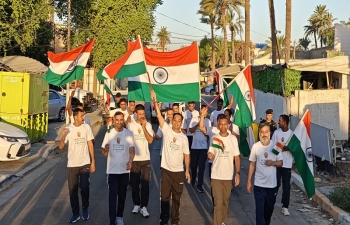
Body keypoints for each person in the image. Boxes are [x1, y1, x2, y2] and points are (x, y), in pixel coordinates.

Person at [151, 90, 190, 225]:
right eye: (175, 120)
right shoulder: (166, 130)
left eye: (179, 121)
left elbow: (186, 155)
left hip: (178, 172)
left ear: (181, 122)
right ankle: (164, 219)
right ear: (172, 120)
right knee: (165, 197)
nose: (177, 122)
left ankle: (175, 220)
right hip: (166, 170)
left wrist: (187, 170)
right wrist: (155, 100)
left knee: (177, 199)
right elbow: (159, 116)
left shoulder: (184, 138)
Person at [58, 108, 96, 223]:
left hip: (84, 163)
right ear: (75, 117)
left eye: (83, 115)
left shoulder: (86, 127)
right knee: (72, 190)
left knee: (85, 188)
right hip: (72, 165)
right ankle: (75, 213)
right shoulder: (69, 129)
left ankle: (85, 208)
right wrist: (63, 136)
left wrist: (92, 161)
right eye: (81, 116)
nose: (83, 118)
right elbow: (60, 147)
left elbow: (90, 144)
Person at [101, 112, 135, 225]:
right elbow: (104, 153)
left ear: (123, 120)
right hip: (112, 171)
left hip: (124, 171)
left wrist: (130, 161)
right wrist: (105, 149)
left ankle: (119, 216)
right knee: (112, 197)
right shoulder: (109, 133)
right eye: (117, 120)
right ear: (114, 120)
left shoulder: (128, 133)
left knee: (122, 196)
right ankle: (112, 221)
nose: (119, 122)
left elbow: (132, 150)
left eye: (121, 120)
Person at [247, 123, 283, 225]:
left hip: (271, 185)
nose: (264, 134)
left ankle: (267, 221)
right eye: (262, 132)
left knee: (268, 211)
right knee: (259, 213)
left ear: (270, 133)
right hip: (259, 185)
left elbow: (280, 162)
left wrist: (272, 163)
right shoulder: (255, 147)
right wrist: (249, 181)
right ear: (259, 133)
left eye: (266, 132)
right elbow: (252, 164)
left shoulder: (275, 146)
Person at [207, 113, 240, 225]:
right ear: (218, 125)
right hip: (216, 175)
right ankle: (217, 222)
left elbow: (236, 157)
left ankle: (221, 221)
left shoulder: (233, 139)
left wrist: (238, 173)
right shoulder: (215, 138)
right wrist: (210, 155)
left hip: (228, 176)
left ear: (228, 124)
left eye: (225, 124)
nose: (223, 126)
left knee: (225, 202)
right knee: (218, 203)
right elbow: (211, 152)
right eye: (221, 124)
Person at [127, 104, 154, 217]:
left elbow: (150, 140)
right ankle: (136, 204)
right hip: (134, 160)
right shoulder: (130, 125)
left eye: (143, 114)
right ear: (136, 114)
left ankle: (144, 206)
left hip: (145, 159)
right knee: (134, 184)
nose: (142, 116)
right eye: (140, 114)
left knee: (145, 184)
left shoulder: (147, 125)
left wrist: (143, 127)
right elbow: (127, 141)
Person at [272, 114, 294, 216]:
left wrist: (283, 147)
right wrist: (284, 147)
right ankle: (271, 202)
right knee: (275, 185)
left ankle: (285, 207)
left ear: (284, 122)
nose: (278, 122)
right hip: (277, 163)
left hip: (287, 164)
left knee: (286, 187)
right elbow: (273, 146)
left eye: (280, 120)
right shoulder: (276, 133)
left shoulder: (292, 134)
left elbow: (294, 148)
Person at [187, 105, 211, 193]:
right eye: (203, 111)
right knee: (193, 166)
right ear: (200, 111)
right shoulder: (194, 120)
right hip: (194, 147)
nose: (204, 113)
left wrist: (203, 129)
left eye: (206, 111)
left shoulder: (208, 122)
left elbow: (208, 135)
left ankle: (199, 185)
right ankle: (193, 179)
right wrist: (198, 124)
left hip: (203, 148)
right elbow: (190, 131)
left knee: (201, 167)